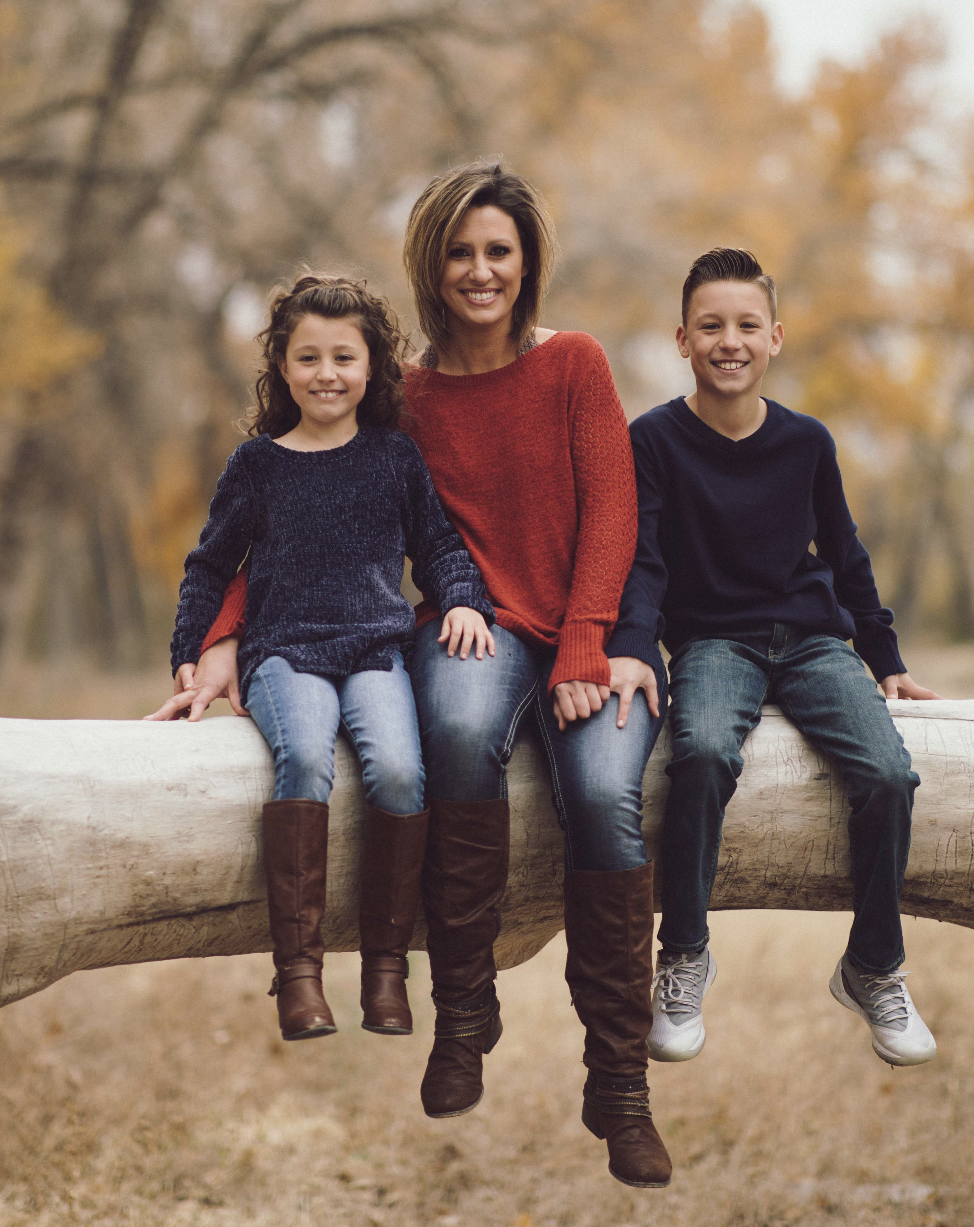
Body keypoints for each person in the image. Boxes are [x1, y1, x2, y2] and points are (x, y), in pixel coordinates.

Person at [179, 164, 674, 1189]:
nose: (481, 270)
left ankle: (620, 1085)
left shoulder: (575, 362)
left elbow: (615, 511)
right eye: (460, 252)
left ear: (526, 262)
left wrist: (588, 641)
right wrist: (221, 635)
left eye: (499, 250)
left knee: (603, 796)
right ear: (431, 265)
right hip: (472, 631)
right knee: (450, 735)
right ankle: (464, 1011)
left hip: (587, 632)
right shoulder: (409, 398)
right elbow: (295, 518)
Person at [607, 247, 943, 1070]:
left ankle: (872, 967)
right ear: (681, 339)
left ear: (776, 337)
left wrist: (885, 656)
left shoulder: (807, 442)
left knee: (890, 776)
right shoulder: (652, 439)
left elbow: (847, 551)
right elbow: (643, 559)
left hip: (813, 641)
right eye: (711, 326)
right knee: (703, 754)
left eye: (747, 325)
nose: (731, 341)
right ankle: (683, 956)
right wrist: (628, 648)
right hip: (713, 642)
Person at [150, 274, 496, 1044]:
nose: (328, 373)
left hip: (377, 652)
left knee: (403, 773)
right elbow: (210, 565)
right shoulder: (258, 466)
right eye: (308, 357)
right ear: (281, 366)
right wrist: (191, 651)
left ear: (372, 366)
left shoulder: (394, 459)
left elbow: (438, 547)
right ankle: (299, 974)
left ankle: (384, 973)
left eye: (345, 356)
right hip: (286, 656)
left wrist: (466, 598)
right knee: (304, 756)